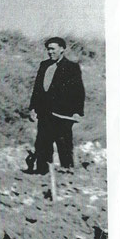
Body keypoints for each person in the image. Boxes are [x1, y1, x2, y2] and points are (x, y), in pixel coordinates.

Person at [28, 37, 85, 174]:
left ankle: (67, 172)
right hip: (45, 113)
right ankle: (43, 172)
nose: (50, 52)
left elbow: (79, 91)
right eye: (48, 49)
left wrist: (77, 112)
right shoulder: (44, 65)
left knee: (64, 144)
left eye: (53, 49)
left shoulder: (71, 67)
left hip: (63, 114)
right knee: (42, 144)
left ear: (62, 49)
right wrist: (32, 108)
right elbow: (37, 89)